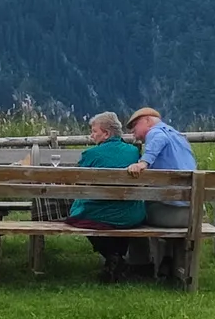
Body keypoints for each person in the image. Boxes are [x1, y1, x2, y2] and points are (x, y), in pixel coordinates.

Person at [65, 111, 145, 282]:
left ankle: (112, 257)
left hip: (102, 215)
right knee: (117, 212)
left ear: (106, 133)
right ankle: (117, 259)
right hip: (132, 215)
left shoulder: (91, 154)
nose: (91, 135)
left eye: (94, 131)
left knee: (79, 216)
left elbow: (77, 182)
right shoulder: (133, 152)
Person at [124, 107, 197, 278]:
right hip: (193, 211)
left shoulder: (156, 133)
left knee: (134, 212)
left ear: (148, 121)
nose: (134, 134)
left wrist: (144, 162)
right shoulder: (179, 137)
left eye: (135, 127)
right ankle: (167, 257)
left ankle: (140, 265)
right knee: (156, 203)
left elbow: (158, 139)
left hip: (173, 215)